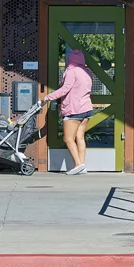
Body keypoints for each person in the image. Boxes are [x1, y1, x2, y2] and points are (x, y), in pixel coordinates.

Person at [44, 47, 94, 175]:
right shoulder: (87, 71)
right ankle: (82, 165)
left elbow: (65, 89)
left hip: (74, 109)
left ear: (70, 60)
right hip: (86, 108)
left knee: (68, 138)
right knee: (80, 137)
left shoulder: (71, 71)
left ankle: (78, 164)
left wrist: (48, 97)